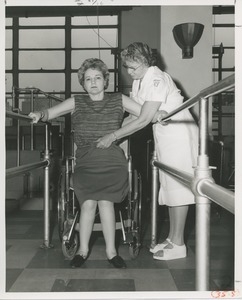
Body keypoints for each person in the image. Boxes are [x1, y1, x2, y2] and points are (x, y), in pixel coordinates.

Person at [29, 58, 153, 269]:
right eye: (88, 79)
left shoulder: (119, 99)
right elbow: (51, 112)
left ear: (105, 81)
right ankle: (82, 250)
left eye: (98, 78)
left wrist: (158, 113)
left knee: (106, 202)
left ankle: (111, 252)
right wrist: (39, 114)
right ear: (83, 83)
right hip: (86, 159)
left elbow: (145, 112)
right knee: (87, 203)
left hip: (112, 159)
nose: (93, 82)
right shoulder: (76, 101)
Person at [96, 42, 198, 261]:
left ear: (145, 62)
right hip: (165, 135)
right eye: (127, 68)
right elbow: (134, 115)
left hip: (179, 134)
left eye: (133, 67)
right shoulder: (140, 81)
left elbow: (142, 119)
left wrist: (113, 137)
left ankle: (179, 243)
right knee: (169, 187)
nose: (130, 72)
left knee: (179, 188)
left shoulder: (156, 78)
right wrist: (113, 134)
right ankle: (172, 238)